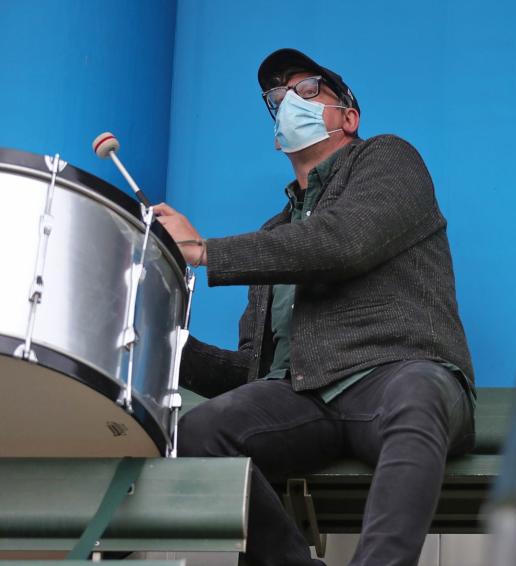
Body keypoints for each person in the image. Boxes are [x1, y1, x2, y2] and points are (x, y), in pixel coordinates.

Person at [154, 48, 475, 566]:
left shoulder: (389, 158)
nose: (287, 103)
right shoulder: (273, 236)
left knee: (417, 394)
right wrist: (167, 345)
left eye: (307, 91)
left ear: (348, 116)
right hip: (303, 397)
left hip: (394, 374)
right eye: (277, 98)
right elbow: (257, 370)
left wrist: (205, 251)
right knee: (197, 432)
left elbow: (343, 243)